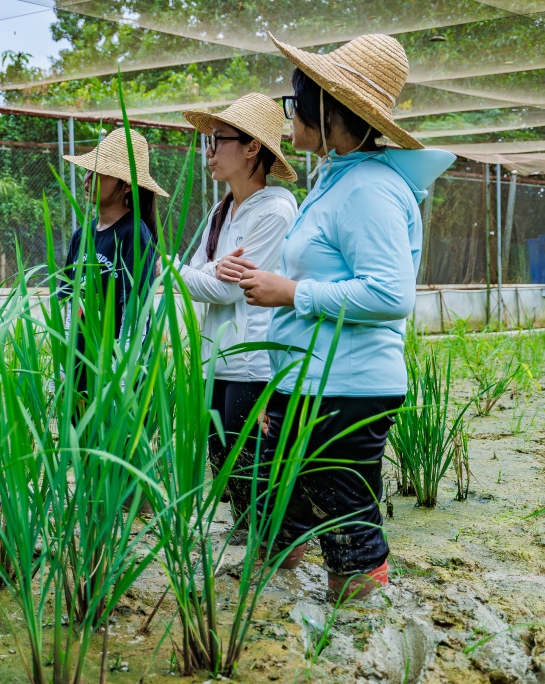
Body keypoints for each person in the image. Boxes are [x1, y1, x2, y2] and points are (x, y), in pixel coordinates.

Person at [221, 34, 455, 601]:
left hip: (346, 387)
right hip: (306, 381)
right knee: (278, 495)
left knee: (346, 522)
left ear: (325, 107)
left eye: (292, 100)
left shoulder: (370, 189)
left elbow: (390, 293)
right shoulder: (337, 178)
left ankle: (357, 621)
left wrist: (291, 292)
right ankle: (274, 601)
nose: (287, 113)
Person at [176, 94, 298, 520]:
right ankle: (242, 564)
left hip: (252, 363)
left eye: (218, 140)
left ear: (252, 148)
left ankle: (264, 566)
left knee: (251, 476)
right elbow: (195, 275)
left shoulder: (277, 209)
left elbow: (228, 291)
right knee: (223, 473)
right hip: (215, 359)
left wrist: (174, 269)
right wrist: (207, 269)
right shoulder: (220, 209)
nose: (209, 152)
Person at [57, 128, 166, 404]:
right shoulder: (83, 235)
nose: (87, 179)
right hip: (81, 364)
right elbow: (70, 304)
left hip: (118, 372)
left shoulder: (135, 234)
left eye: (99, 172)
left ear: (127, 184)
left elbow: (135, 315)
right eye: (87, 170)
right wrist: (63, 364)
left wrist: (119, 377)